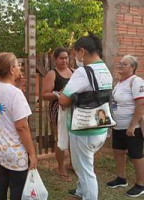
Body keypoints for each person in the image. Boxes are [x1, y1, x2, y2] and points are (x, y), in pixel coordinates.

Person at [59, 32, 113, 200]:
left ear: (82, 51)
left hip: (83, 130)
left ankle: (88, 195)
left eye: (75, 53)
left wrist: (61, 95)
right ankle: (80, 193)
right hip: (100, 127)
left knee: (85, 171)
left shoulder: (83, 72)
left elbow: (64, 101)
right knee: (86, 164)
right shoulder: (106, 70)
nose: (75, 57)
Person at [0, 52, 37, 200]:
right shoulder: (15, 93)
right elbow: (22, 127)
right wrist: (32, 154)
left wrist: (18, 86)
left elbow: (7, 102)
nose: (19, 68)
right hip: (14, 152)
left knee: (1, 184)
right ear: (11, 69)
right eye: (17, 65)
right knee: (17, 190)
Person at [106, 55, 144, 197]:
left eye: (125, 64)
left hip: (132, 128)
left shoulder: (136, 81)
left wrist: (132, 126)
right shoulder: (120, 82)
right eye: (120, 63)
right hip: (118, 126)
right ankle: (121, 178)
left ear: (132, 67)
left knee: (136, 155)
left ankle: (141, 184)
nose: (120, 65)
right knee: (118, 151)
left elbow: (141, 105)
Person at [42, 47, 74, 181]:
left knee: (74, 139)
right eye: (61, 58)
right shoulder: (52, 74)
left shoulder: (74, 72)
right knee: (60, 139)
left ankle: (73, 164)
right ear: (55, 59)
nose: (64, 61)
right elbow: (44, 95)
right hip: (58, 110)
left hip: (73, 109)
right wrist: (58, 94)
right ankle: (61, 167)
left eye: (66, 58)